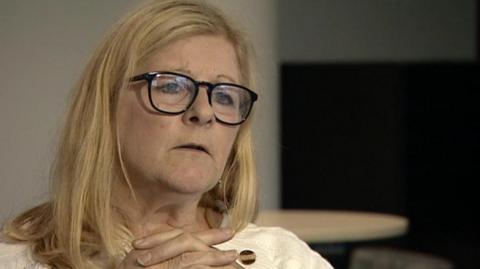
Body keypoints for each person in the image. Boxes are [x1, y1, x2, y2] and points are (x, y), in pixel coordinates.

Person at [0, 0, 333, 268]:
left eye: (224, 96)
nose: (203, 112)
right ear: (106, 106)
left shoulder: (287, 259)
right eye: (171, 85)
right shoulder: (17, 260)